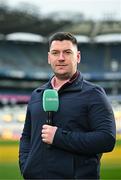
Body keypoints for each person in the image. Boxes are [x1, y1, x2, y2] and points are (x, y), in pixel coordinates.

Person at [19, 32, 116, 179]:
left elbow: (106, 139)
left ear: (77, 57)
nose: (61, 58)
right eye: (55, 53)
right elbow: (26, 137)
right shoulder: (37, 94)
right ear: (49, 58)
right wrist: (26, 166)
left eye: (67, 52)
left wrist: (59, 137)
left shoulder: (94, 94)